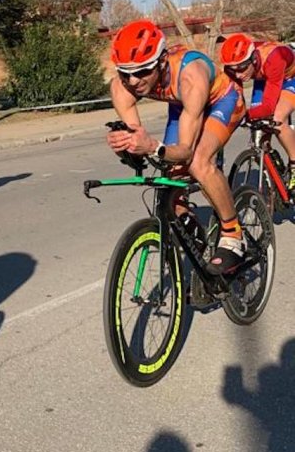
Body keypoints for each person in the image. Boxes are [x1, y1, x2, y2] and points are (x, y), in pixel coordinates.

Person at [107, 20, 246, 275]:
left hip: (222, 101)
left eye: (142, 71)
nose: (133, 80)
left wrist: (153, 146)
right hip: (182, 107)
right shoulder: (121, 86)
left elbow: (185, 150)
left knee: (198, 163)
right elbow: (136, 142)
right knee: (169, 178)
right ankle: (188, 224)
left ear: (160, 62)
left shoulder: (190, 75)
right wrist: (125, 146)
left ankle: (233, 234)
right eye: (125, 72)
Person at [219, 33, 295, 190]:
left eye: (241, 68)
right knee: (258, 132)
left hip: (289, 76)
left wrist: (245, 115)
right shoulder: (234, 67)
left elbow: (268, 107)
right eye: (233, 70)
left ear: (253, 59)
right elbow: (235, 98)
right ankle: (273, 165)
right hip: (263, 78)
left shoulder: (274, 58)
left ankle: (294, 164)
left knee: (277, 119)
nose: (238, 74)